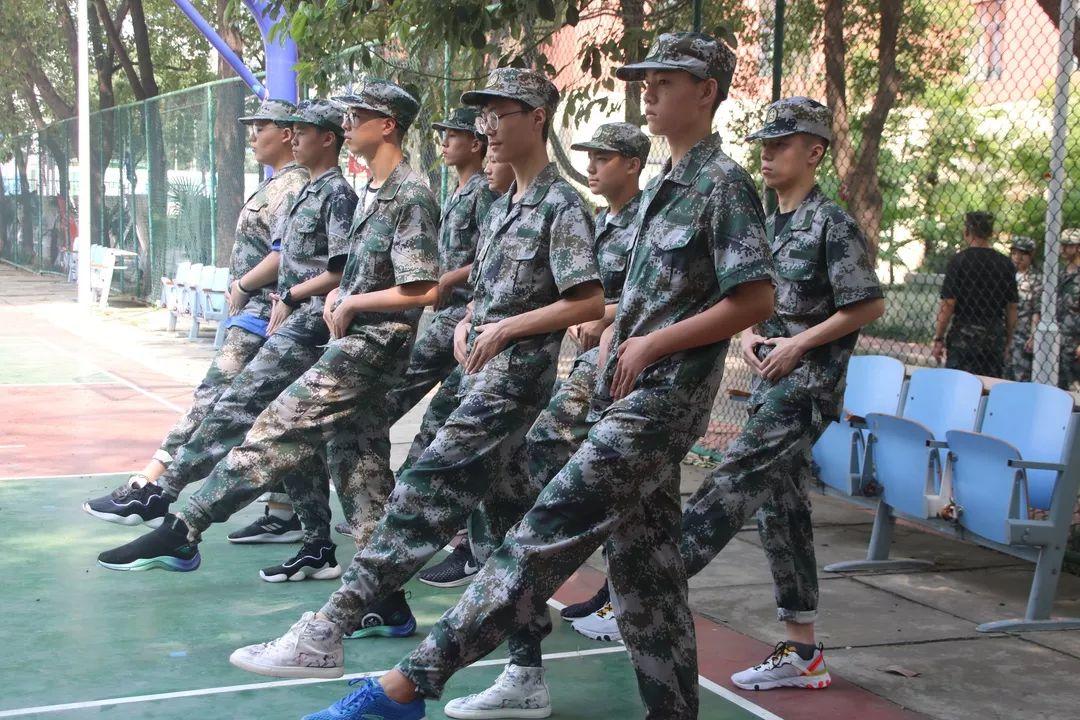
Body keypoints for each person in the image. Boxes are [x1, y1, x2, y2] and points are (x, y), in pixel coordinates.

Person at [232, 32, 776, 720]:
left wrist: (648, 344)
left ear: (706, 92)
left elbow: (755, 298)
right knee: (649, 580)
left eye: (665, 80)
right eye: (647, 79)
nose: (649, 90)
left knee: (536, 537)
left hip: (659, 403)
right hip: (627, 398)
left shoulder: (719, 184)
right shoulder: (667, 186)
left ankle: (407, 687)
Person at [228, 64, 605, 707]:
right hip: (481, 375)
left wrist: (507, 329)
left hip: (511, 388)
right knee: (497, 527)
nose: (487, 125)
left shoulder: (559, 203)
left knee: (421, 494)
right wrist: (469, 327)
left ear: (537, 118)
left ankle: (327, 630)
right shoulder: (505, 203)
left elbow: (588, 301)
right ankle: (526, 674)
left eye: (501, 111)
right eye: (482, 112)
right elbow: (487, 289)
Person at [571, 97, 885, 692]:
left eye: (781, 145)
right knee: (781, 512)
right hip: (770, 384)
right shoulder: (766, 220)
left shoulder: (830, 224)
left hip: (806, 387)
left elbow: (867, 303)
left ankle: (633, 596)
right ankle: (804, 650)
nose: (766, 154)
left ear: (814, 151)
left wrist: (798, 345)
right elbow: (744, 293)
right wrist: (749, 336)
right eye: (763, 144)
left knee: (728, 487)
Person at [94, 98, 362, 575]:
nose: (293, 135)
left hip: (306, 326)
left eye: (302, 129)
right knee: (294, 438)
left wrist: (288, 294)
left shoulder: (335, 193)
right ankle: (318, 544)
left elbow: (340, 270)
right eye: (291, 128)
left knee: (234, 406)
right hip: (290, 318)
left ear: (327, 138)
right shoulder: (306, 189)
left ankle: (164, 493)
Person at [932, 211, 1018, 377]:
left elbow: (948, 303)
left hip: (963, 335)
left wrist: (939, 337)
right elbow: (1012, 307)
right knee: (990, 387)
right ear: (991, 233)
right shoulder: (1005, 264)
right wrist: (1008, 340)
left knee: (959, 384)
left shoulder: (959, 261)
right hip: (993, 335)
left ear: (966, 231)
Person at [1006, 236, 1040, 381]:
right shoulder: (1006, 275)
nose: (1018, 257)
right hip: (1005, 334)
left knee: (1021, 377)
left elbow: (1037, 310)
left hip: (1023, 335)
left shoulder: (1036, 279)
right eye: (1014, 253)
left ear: (1031, 255)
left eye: (1023, 254)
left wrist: (1033, 336)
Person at [1058, 228, 1080, 391]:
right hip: (1057, 341)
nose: (1063, 249)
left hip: (1075, 342)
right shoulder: (1059, 274)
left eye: (1069, 245)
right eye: (1062, 245)